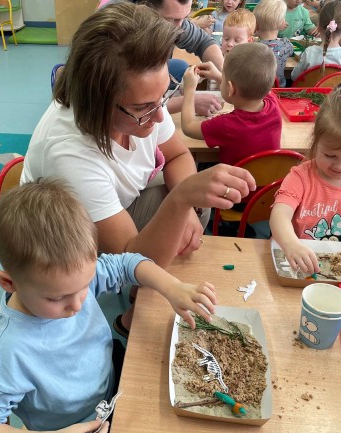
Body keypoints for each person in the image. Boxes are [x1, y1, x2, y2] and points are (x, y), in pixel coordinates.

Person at [22, 3, 256, 337]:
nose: (160, 117)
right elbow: (130, 260)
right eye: (143, 107)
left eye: (162, 98)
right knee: (186, 202)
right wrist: (181, 202)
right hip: (64, 242)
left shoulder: (141, 105)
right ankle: (132, 317)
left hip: (117, 208)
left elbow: (177, 155)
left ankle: (139, 301)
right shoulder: (68, 152)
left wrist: (187, 205)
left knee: (196, 202)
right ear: (98, 100)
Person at [0, 179, 218, 433]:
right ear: (8, 282)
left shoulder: (69, 278)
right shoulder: (8, 353)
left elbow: (128, 263)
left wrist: (173, 287)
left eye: (84, 286)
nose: (77, 305)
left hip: (109, 377)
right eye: (56, 298)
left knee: (183, 406)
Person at [269, 81, 341, 274]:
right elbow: (279, 215)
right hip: (291, 263)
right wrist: (292, 245)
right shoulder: (300, 177)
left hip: (333, 271)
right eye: (330, 155)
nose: (340, 166)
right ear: (316, 144)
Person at [104, 0, 225, 117]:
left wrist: (225, 77)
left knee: (181, 67)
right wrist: (188, 101)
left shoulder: (171, 17)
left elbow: (203, 42)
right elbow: (115, 106)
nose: (179, 28)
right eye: (171, 19)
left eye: (184, 18)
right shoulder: (116, 32)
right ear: (145, 7)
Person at [181, 43, 282, 166]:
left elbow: (188, 127)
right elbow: (240, 93)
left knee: (201, 164)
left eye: (223, 78)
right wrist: (218, 76)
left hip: (233, 178)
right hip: (269, 178)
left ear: (230, 88)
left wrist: (189, 89)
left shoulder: (226, 125)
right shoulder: (273, 102)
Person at [292, 1, 341, 81]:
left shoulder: (310, 52)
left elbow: (294, 77)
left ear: (318, 27)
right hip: (336, 89)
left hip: (311, 89)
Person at [254, 0, 295, 86]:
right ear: (282, 23)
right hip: (278, 90)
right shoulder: (286, 45)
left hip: (256, 89)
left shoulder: (252, 47)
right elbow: (291, 52)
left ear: (255, 25)